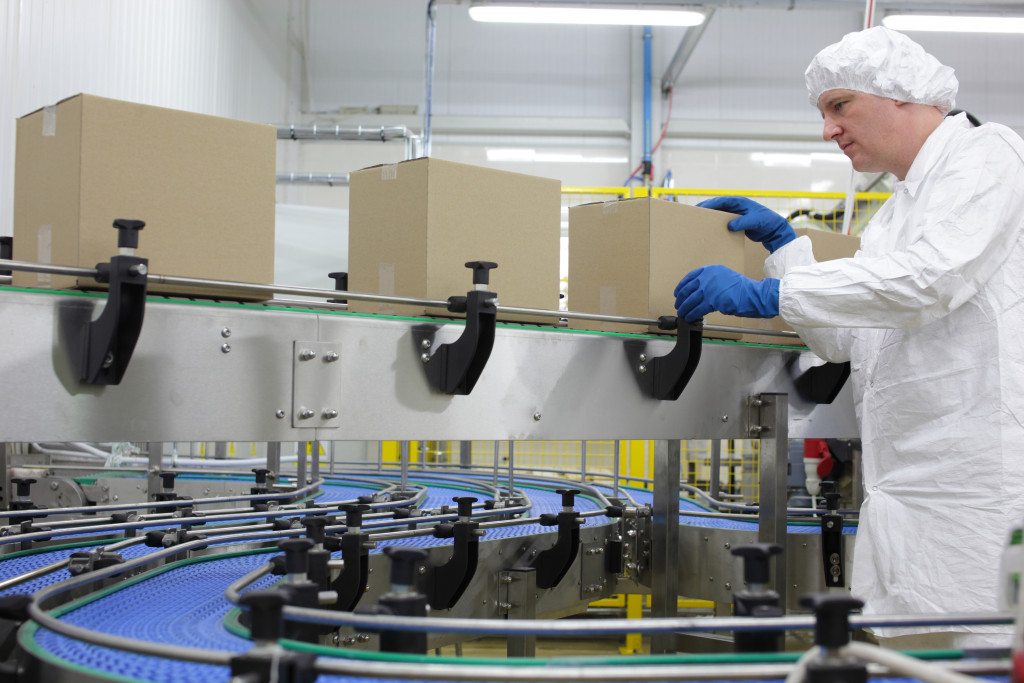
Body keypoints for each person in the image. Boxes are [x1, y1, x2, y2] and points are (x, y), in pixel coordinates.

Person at [674, 26, 1024, 649]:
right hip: (902, 497)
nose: (828, 129)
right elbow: (843, 338)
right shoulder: (891, 216)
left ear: (902, 97)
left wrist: (769, 295)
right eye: (823, 112)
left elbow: (929, 281)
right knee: (905, 653)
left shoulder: (988, 155)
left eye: (840, 106)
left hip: (978, 492)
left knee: (982, 655)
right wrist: (786, 250)